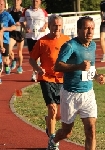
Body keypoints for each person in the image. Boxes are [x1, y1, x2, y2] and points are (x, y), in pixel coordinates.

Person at [46, 16, 105, 150]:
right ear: (78, 30)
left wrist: (97, 77)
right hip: (70, 94)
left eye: (92, 28)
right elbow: (57, 66)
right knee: (67, 132)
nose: (90, 32)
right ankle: (53, 139)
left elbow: (91, 67)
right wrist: (78, 66)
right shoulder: (70, 46)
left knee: (91, 130)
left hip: (88, 94)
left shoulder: (93, 45)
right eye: (86, 28)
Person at [29, 14, 70, 147]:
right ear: (49, 26)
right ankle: (52, 142)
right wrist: (38, 68)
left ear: (61, 26)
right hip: (47, 78)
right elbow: (31, 59)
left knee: (59, 115)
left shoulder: (67, 40)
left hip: (63, 79)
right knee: (52, 108)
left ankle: (49, 121)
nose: (56, 28)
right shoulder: (42, 42)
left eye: (59, 26)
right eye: (54, 26)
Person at [19, 0, 48, 81]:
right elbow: (21, 21)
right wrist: (25, 28)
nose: (35, 3)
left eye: (37, 1)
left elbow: (47, 22)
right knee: (33, 56)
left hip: (40, 36)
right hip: (30, 36)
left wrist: (44, 27)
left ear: (40, 2)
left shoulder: (43, 11)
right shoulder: (26, 11)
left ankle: (39, 73)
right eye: (34, 1)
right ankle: (35, 73)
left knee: (41, 56)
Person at [8, 0, 25, 74]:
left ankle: (20, 66)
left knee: (19, 52)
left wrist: (21, 23)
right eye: (14, 0)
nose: (16, 1)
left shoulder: (23, 10)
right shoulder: (9, 10)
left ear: (20, 1)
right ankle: (14, 59)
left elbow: (26, 21)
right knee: (8, 48)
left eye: (18, 0)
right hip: (12, 33)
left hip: (20, 33)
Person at [0, 0, 16, 74]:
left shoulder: (7, 15)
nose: (0, 5)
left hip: (5, 40)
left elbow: (14, 27)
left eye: (1, 4)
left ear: (4, 5)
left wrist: (5, 29)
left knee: (5, 60)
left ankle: (7, 65)